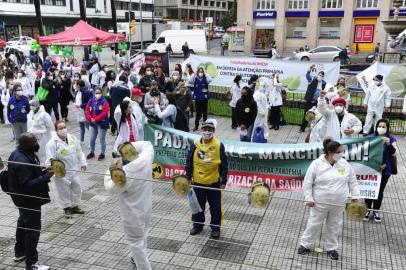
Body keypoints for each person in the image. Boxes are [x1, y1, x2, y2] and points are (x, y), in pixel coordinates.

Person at [297, 138, 359, 261]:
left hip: (338, 203)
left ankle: (331, 248)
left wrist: (355, 196)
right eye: (339, 152)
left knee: (334, 225)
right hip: (319, 203)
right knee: (314, 223)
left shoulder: (344, 163)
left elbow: (353, 181)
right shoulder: (316, 164)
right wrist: (308, 198)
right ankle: (305, 244)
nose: (341, 154)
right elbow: (307, 183)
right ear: (330, 153)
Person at [104, 141, 154, 269]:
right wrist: (129, 145)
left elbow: (110, 188)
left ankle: (144, 267)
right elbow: (147, 144)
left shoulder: (126, 172)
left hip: (132, 213)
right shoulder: (146, 159)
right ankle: (136, 258)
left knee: (135, 240)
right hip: (146, 207)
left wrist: (110, 168)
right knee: (143, 235)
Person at [8, 133, 54, 270]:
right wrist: (46, 177)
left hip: (21, 198)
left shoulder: (19, 152)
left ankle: (20, 251)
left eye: (36, 140)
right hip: (28, 200)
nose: (36, 144)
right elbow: (27, 184)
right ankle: (32, 263)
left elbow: (30, 174)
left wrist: (43, 172)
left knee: (23, 222)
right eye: (33, 142)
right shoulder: (23, 161)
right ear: (24, 144)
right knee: (32, 230)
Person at [185, 119, 228, 239]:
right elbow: (189, 161)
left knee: (215, 207)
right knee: (197, 206)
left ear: (213, 131)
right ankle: (197, 225)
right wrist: (188, 176)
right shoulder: (195, 144)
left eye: (210, 130)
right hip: (198, 182)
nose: (207, 132)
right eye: (205, 129)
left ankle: (215, 228)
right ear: (202, 130)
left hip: (214, 182)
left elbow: (224, 164)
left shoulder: (219, 145)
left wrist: (223, 181)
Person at [45, 120, 87, 217]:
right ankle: (67, 208)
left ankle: (75, 206)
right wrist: (52, 169)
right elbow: (49, 159)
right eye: (60, 128)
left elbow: (79, 151)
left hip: (73, 169)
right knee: (63, 191)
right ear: (56, 130)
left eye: (64, 127)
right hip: (61, 173)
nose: (63, 130)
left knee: (77, 188)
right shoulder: (52, 144)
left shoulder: (72, 138)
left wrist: (83, 162)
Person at [364, 119, 398, 223]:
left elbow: (394, 153)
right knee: (369, 189)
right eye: (380, 126)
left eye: (384, 127)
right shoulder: (370, 137)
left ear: (387, 128)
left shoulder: (391, 138)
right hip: (371, 169)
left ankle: (376, 210)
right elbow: (365, 153)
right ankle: (367, 209)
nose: (381, 128)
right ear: (376, 127)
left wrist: (389, 144)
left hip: (385, 170)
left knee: (379, 191)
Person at [85, 87, 110, 161]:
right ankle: (92, 152)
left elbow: (104, 113)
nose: (97, 94)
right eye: (96, 93)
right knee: (92, 139)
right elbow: (87, 110)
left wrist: (96, 119)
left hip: (102, 123)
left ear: (102, 93)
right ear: (94, 93)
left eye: (99, 93)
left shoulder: (104, 102)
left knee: (102, 139)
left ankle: (102, 154)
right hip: (92, 123)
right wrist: (90, 118)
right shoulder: (91, 100)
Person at [300, 65, 326, 132]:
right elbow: (307, 76)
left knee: (317, 115)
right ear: (318, 75)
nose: (321, 76)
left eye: (322, 76)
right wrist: (309, 69)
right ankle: (302, 129)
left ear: (323, 77)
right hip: (309, 100)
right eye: (320, 75)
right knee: (306, 114)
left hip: (317, 102)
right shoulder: (313, 79)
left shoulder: (324, 83)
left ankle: (314, 129)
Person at [27, 98, 53, 165]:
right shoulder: (30, 115)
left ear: (37, 105)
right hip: (33, 138)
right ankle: (37, 163)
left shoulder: (44, 115)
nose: (31, 107)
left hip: (43, 138)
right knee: (36, 152)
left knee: (43, 152)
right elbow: (29, 126)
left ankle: (45, 165)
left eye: (33, 105)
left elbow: (50, 126)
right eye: (30, 105)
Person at [73, 80, 92, 145]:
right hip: (78, 112)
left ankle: (91, 141)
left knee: (88, 128)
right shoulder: (77, 92)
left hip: (84, 112)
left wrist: (80, 105)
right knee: (81, 127)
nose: (74, 86)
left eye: (75, 84)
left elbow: (89, 102)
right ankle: (81, 140)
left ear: (78, 85)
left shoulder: (86, 92)